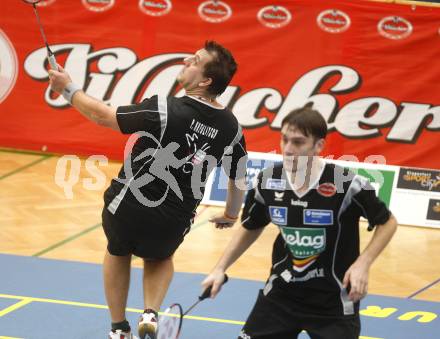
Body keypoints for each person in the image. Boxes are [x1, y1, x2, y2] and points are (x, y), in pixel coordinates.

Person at [49, 41, 247, 339]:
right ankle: (151, 312)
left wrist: (68, 88)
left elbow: (104, 115)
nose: (185, 60)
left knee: (118, 251)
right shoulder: (232, 128)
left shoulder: (166, 108)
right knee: (160, 257)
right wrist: (231, 214)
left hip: (128, 202)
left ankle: (118, 329)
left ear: (205, 81)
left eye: (194, 60)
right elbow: (238, 177)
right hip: (175, 215)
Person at [203, 105, 398, 339]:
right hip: (281, 295)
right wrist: (219, 268)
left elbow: (388, 222)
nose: (287, 149)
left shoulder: (346, 184)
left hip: (333, 302)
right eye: (284, 140)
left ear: (318, 146)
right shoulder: (267, 180)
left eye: (297, 142)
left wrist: (363, 264)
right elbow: (251, 225)